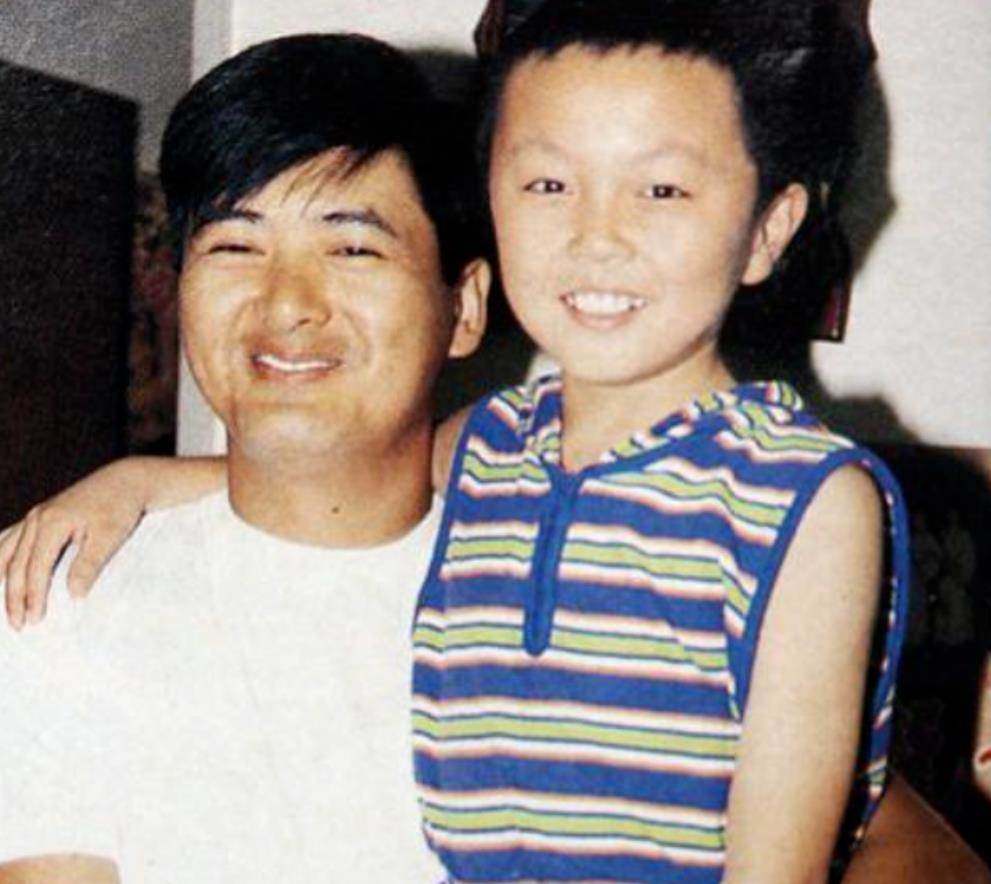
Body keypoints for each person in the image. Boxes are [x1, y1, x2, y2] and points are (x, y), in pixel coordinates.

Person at [2, 2, 990, 882]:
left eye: (660, 191)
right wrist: (142, 479)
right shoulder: (498, 455)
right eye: (549, 184)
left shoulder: (792, 501)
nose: (596, 236)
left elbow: (838, 837)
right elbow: (347, 474)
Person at [0, 32, 489, 882]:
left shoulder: (557, 596)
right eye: (235, 246)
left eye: (352, 248)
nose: (287, 303)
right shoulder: (56, 595)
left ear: (464, 306)